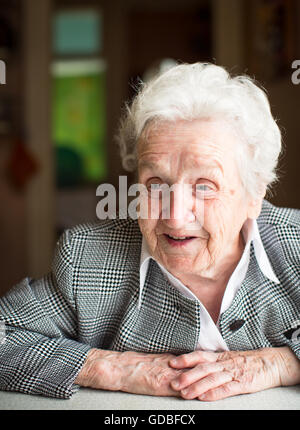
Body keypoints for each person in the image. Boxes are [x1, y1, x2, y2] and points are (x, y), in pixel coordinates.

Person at [0, 63, 299, 401]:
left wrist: (283, 363)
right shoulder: (86, 259)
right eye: (155, 184)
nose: (173, 216)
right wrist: (111, 368)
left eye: (204, 186)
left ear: (254, 194)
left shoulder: (296, 245)